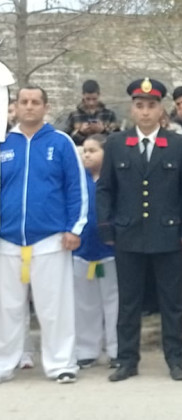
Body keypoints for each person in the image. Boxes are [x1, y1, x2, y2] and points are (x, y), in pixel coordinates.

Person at [97, 78, 182, 382]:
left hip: (167, 236)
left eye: (151, 106)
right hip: (128, 235)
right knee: (129, 303)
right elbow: (105, 190)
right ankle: (128, 360)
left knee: (172, 302)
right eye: (139, 106)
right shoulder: (117, 144)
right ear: (132, 108)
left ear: (160, 110)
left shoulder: (177, 144)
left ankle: (175, 359)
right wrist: (107, 227)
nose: (145, 112)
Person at [0, 85, 87, 384]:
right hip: (7, 239)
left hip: (51, 239)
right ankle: (3, 363)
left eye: (36, 102)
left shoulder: (60, 143)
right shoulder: (3, 144)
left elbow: (77, 188)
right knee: (6, 308)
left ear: (45, 107)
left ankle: (61, 363)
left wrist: (74, 228)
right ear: (15, 106)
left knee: (54, 307)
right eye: (24, 101)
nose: (29, 107)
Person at [74, 133, 118, 369]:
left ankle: (115, 349)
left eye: (93, 150)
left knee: (113, 301)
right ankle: (86, 349)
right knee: (84, 302)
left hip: (109, 251)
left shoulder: (114, 180)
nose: (87, 155)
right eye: (85, 151)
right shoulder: (78, 180)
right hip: (82, 250)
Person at [63, 80, 119, 146]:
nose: (91, 103)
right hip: (82, 152)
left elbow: (117, 139)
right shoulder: (74, 115)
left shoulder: (109, 114)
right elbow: (66, 140)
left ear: (99, 95)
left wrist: (103, 130)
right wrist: (81, 132)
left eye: (94, 99)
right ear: (83, 95)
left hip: (104, 151)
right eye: (88, 99)